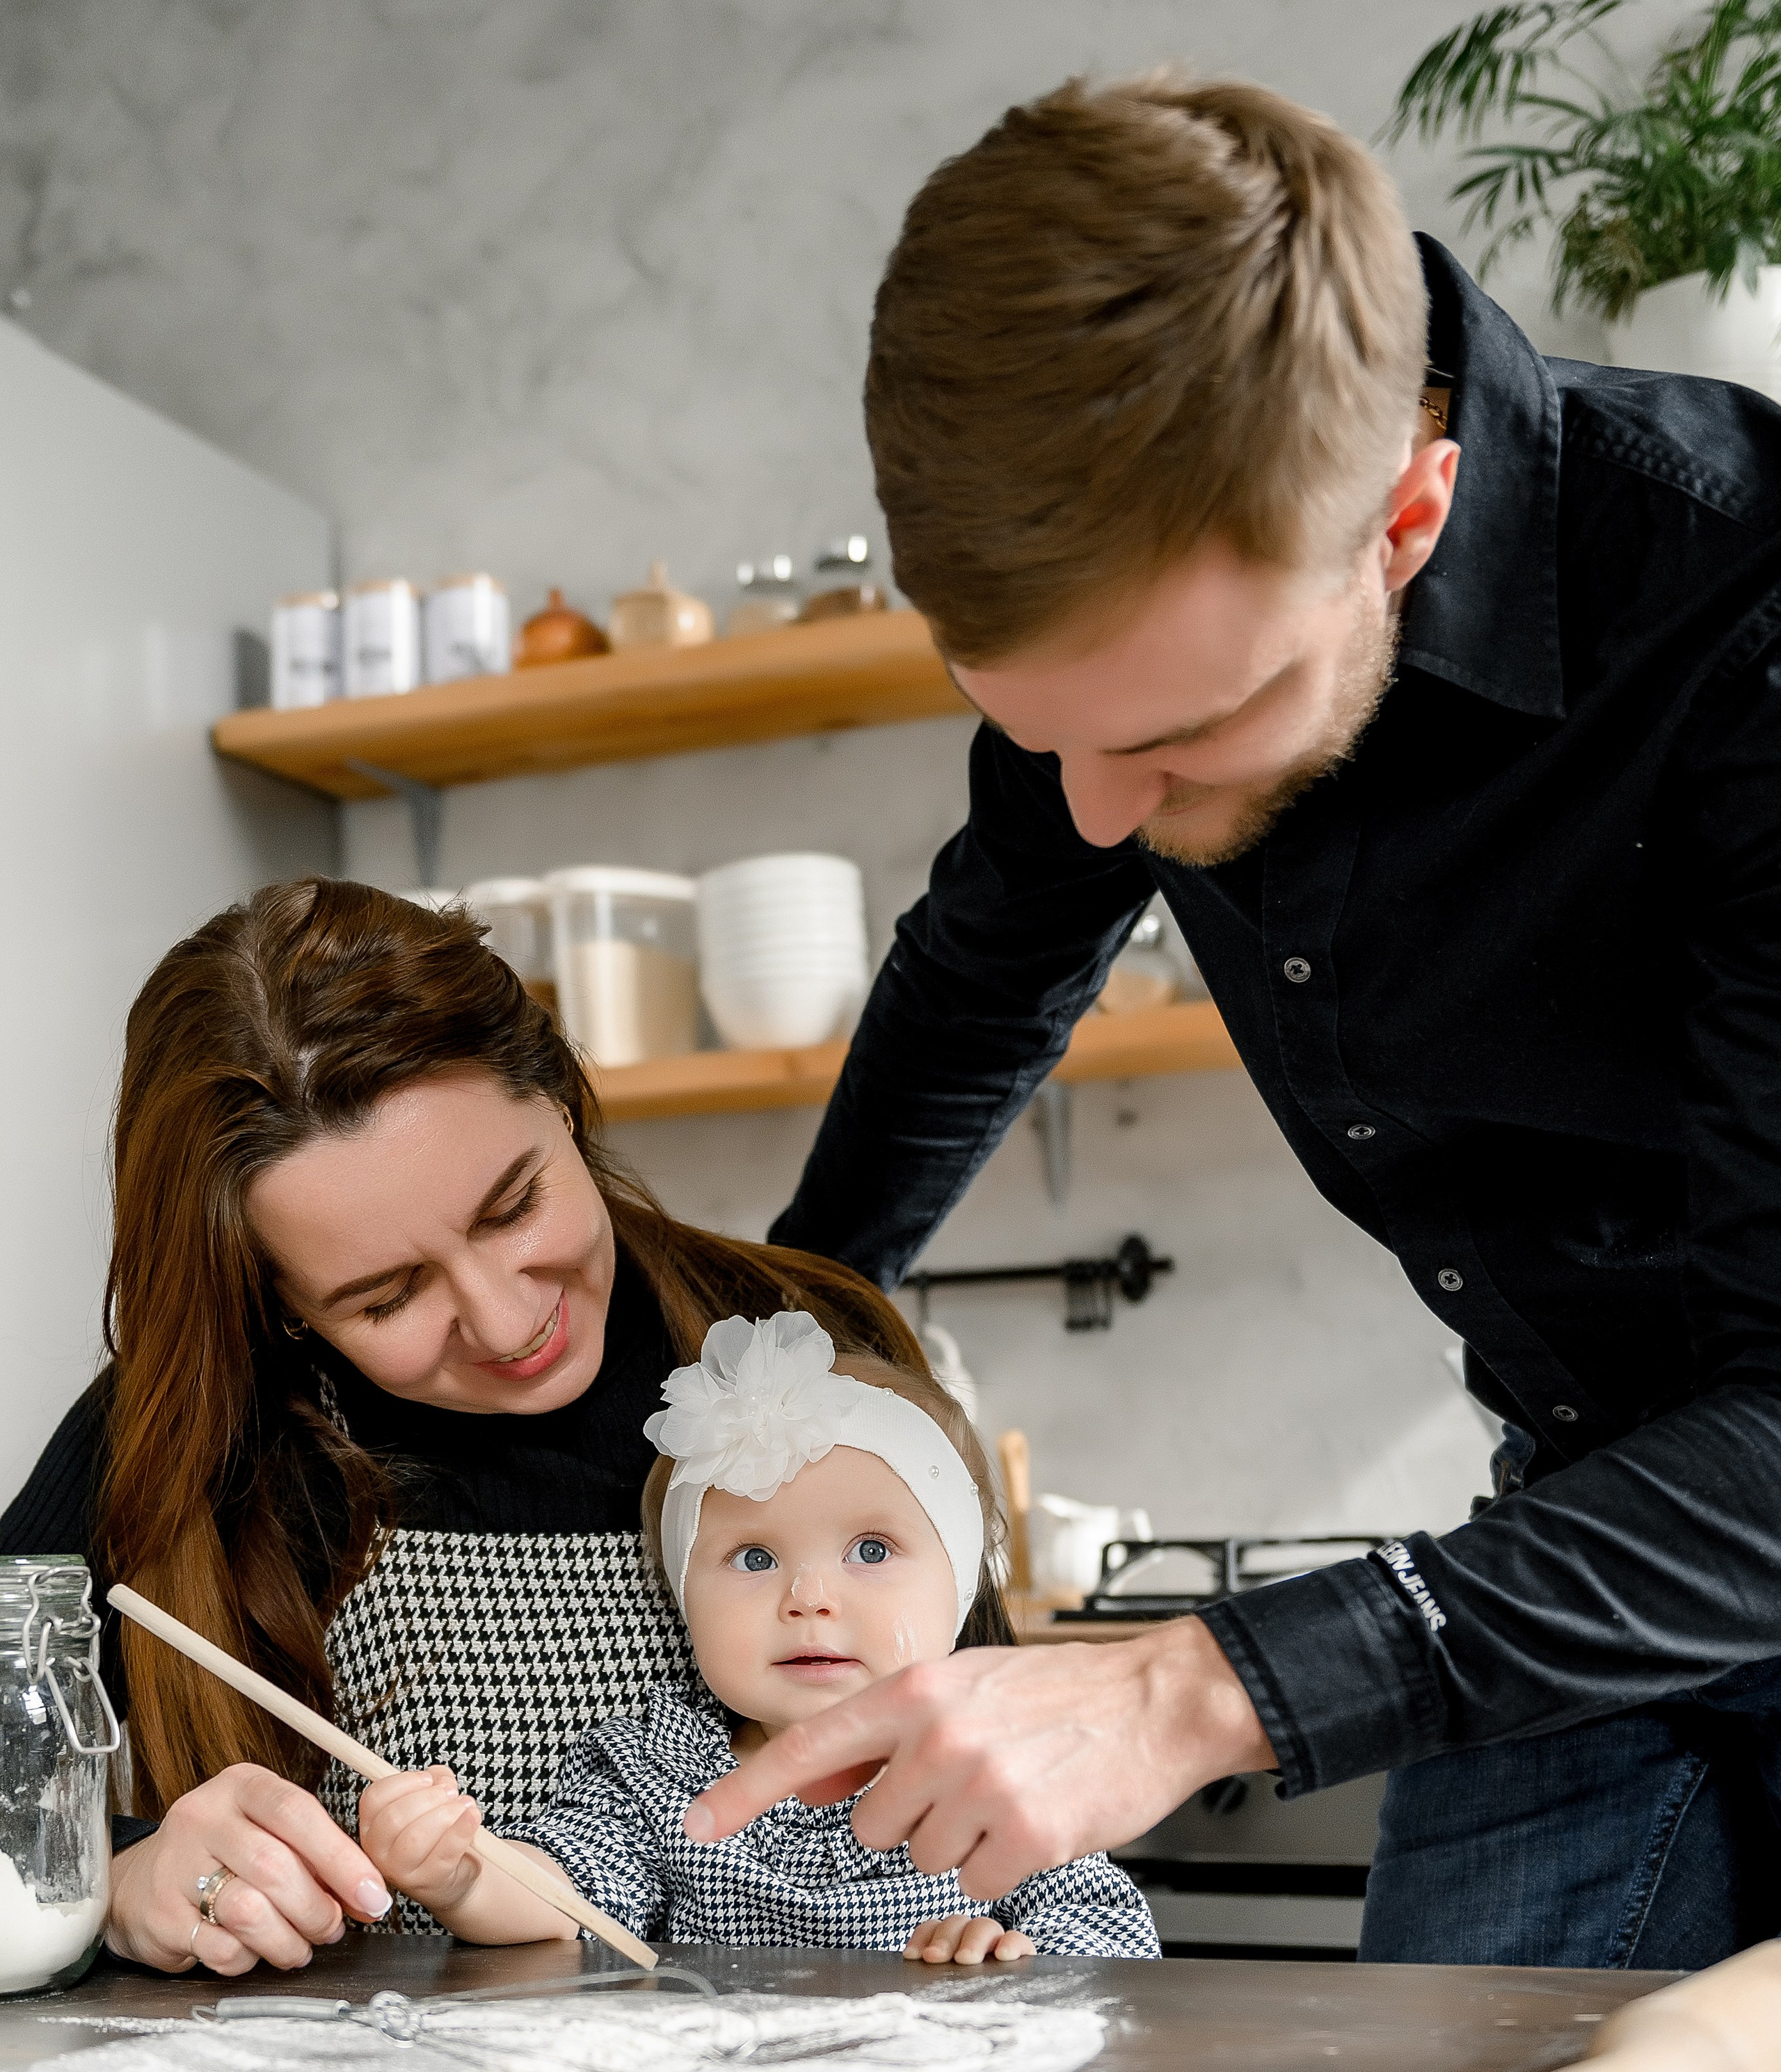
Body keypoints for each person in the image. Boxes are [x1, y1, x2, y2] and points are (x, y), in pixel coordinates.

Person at [687, 72, 1781, 1973]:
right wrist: (772, 1346)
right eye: (1042, 737)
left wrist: (1185, 1696)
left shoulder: (1741, 627)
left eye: (1179, 740)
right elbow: (988, 964)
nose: (1101, 815)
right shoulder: (1130, 653)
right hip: (1571, 1525)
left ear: (1409, 518)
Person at [0, 877, 927, 1976]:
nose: (505, 1321)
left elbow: (991, 1767)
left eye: (514, 1206)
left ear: (563, 1101)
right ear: (279, 1303)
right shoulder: (184, 1432)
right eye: (386, 1298)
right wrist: (117, 1873)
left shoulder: (809, 1340)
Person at [356, 1312, 1158, 1959]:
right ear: (682, 1594)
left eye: (870, 1551)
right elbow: (565, 1896)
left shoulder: (994, 1757)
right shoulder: (654, 1767)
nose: (809, 1599)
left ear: (960, 1584)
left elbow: (1113, 1927)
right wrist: (463, 1874)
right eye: (754, 1557)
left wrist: (1015, 1954)